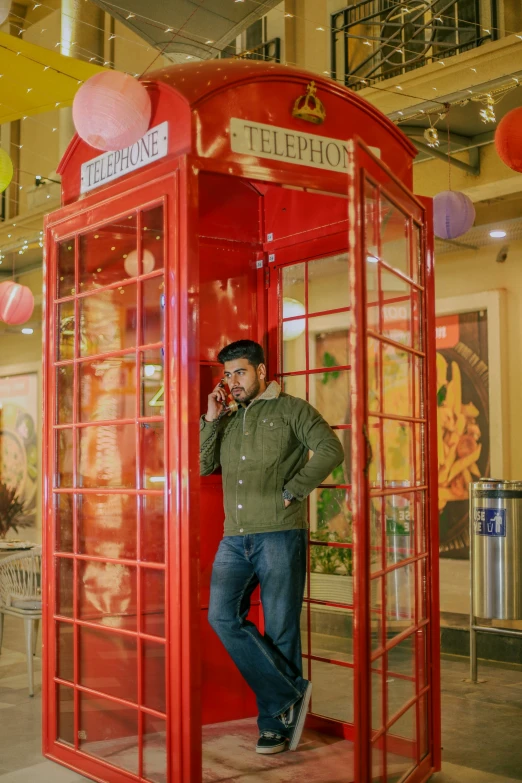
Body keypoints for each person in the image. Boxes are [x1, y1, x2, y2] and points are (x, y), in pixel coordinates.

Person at [200, 340, 344, 755]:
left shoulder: (292, 409)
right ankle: (289, 695)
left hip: (280, 533)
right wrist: (211, 420)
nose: (233, 381)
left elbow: (331, 449)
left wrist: (294, 490)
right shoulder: (226, 418)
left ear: (262, 371)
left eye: (240, 372)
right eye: (227, 374)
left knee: (280, 628)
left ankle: (274, 726)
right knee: (222, 616)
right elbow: (202, 464)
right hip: (235, 537)